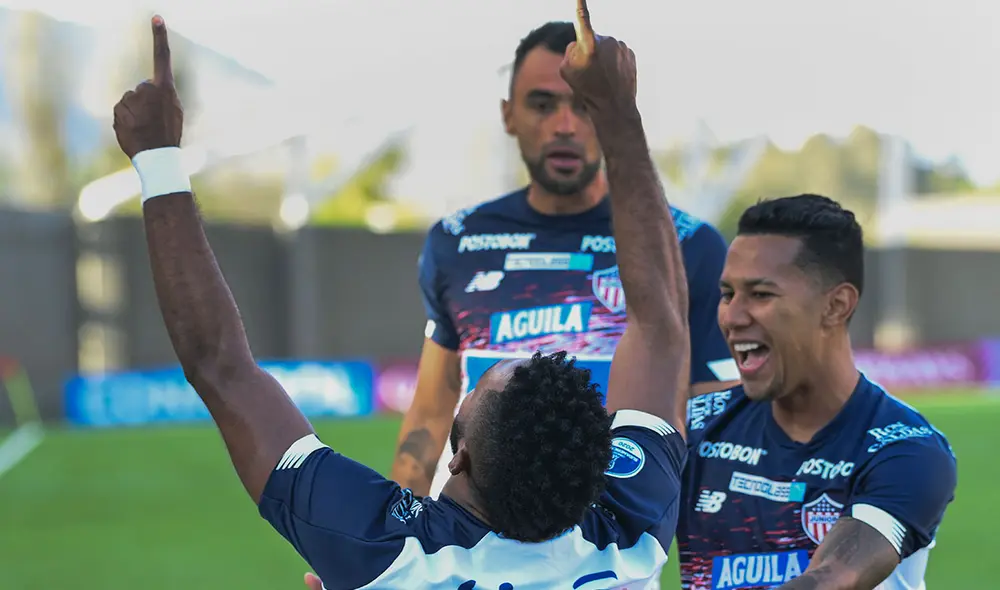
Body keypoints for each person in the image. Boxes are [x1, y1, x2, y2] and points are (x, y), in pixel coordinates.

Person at [116, 9, 693, 588]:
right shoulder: (631, 533)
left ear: (458, 456)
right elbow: (662, 324)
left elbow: (221, 364)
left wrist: (157, 156)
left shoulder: (387, 550)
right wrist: (617, 112)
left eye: (477, 393)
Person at [394, 18, 738, 499]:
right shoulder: (456, 240)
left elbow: (717, 417)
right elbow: (431, 412)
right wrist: (390, 546)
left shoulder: (687, 246)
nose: (564, 125)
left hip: (609, 553)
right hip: (470, 544)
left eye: (584, 105)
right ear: (508, 115)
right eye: (542, 104)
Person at [677, 194, 958, 590]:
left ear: (836, 306)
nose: (732, 317)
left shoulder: (907, 449)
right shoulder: (697, 427)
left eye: (760, 294)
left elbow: (832, 579)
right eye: (727, 294)